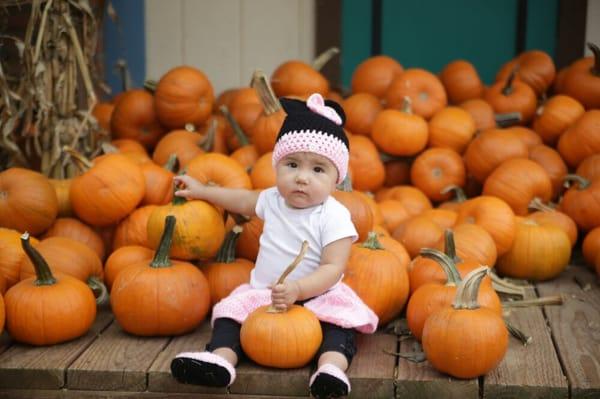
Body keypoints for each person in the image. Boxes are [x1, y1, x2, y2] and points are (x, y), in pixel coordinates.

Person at [169, 92, 378, 399]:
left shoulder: (334, 215)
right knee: (230, 318)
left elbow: (333, 268)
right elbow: (240, 199)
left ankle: (330, 370)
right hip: (265, 295)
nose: (302, 178)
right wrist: (203, 191)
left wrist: (300, 290)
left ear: (337, 180)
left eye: (318, 170)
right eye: (292, 165)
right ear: (277, 165)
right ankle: (221, 360)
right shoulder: (272, 200)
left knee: (338, 331)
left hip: (317, 299)